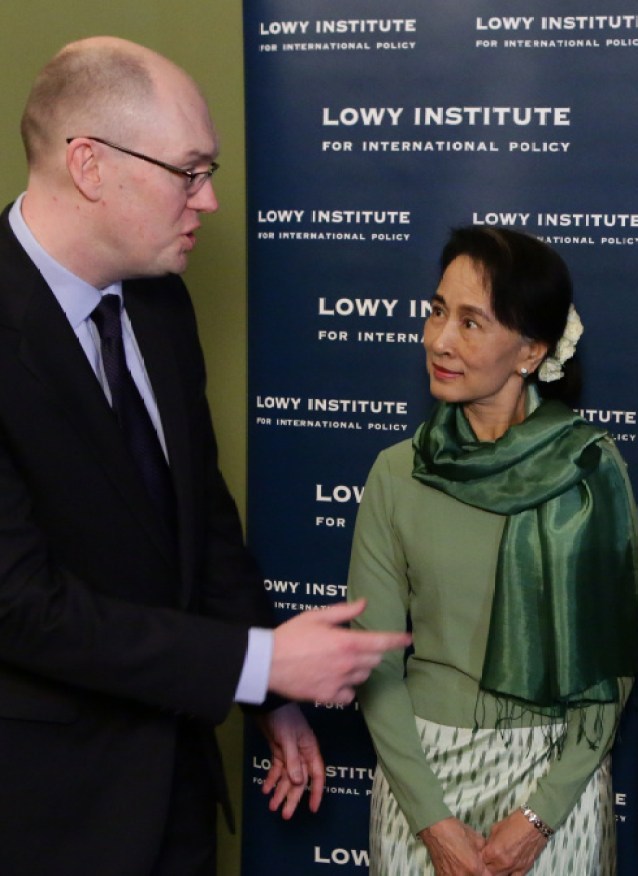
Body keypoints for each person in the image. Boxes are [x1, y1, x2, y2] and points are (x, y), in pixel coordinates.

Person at [0, 37, 412, 875]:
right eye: (189, 171)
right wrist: (258, 660)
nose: (211, 201)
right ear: (89, 164)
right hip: (42, 817)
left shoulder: (159, 305)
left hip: (177, 796)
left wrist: (266, 690)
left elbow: (201, 522)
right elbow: (19, 606)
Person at [348, 225, 638, 876]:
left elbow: (608, 670)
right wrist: (434, 824)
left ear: (530, 351)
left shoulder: (589, 471)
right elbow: (373, 663)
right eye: (436, 311)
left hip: (552, 786)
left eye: (471, 322)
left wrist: (540, 815)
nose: (439, 339)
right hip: (420, 780)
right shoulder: (396, 474)